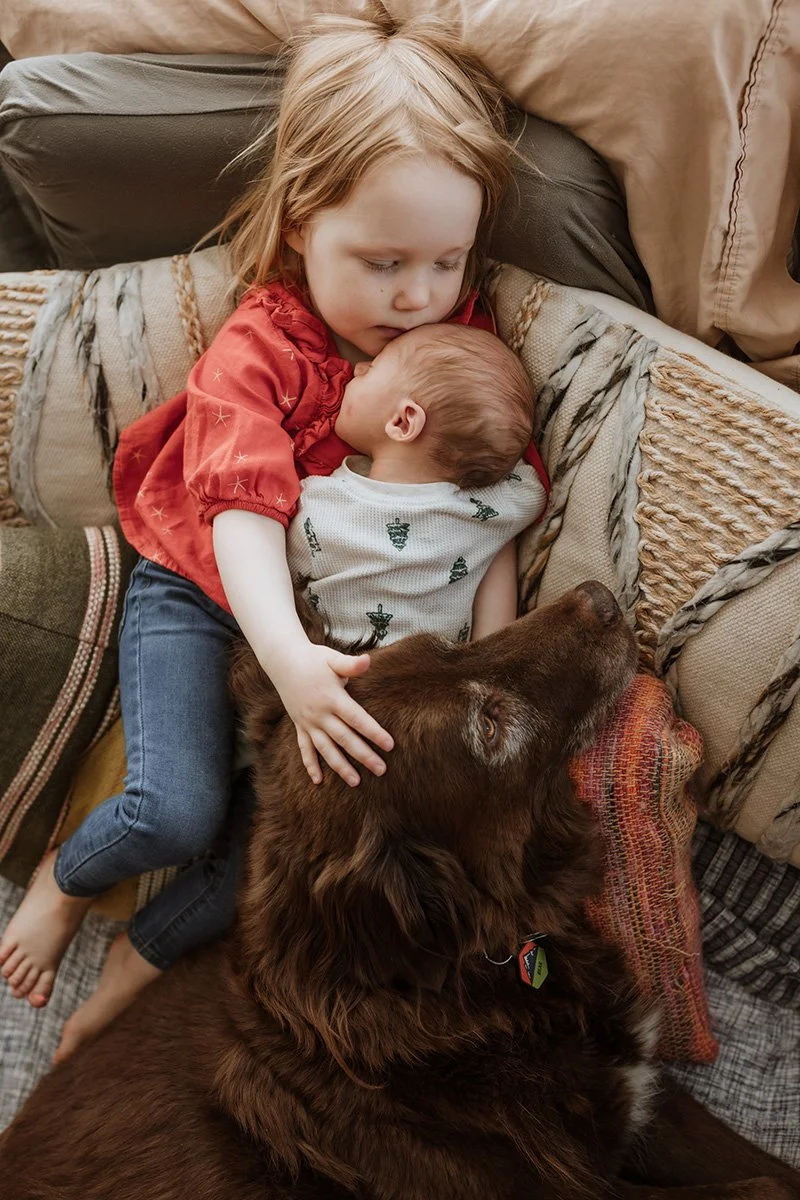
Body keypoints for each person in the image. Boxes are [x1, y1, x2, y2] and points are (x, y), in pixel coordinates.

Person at [0, 13, 547, 1060]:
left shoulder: (455, 347)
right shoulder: (262, 349)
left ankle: (138, 960)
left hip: (333, 637)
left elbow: (490, 515)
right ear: (301, 224)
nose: (418, 296)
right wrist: (289, 661)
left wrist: (484, 671)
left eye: (447, 261)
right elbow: (243, 520)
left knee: (281, 857)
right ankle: (66, 880)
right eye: (383, 261)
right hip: (206, 591)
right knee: (176, 811)